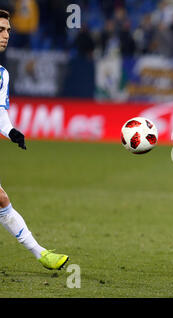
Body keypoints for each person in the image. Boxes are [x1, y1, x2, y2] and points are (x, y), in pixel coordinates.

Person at [0, 9, 69, 270]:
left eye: (8, 30)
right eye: (1, 30)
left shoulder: (2, 74)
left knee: (1, 200)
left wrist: (11, 131)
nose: (6, 35)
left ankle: (41, 254)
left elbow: (0, 114)